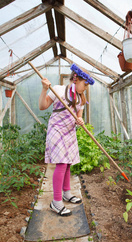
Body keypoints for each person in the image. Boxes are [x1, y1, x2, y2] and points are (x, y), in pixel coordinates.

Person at [39, 64, 95, 216]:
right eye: (85, 84)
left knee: (68, 163)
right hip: (56, 130)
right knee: (62, 163)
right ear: (76, 79)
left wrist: (80, 120)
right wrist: (44, 89)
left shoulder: (81, 99)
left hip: (69, 132)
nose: (85, 88)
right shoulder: (57, 90)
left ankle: (66, 193)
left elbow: (79, 117)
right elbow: (42, 106)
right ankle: (56, 202)